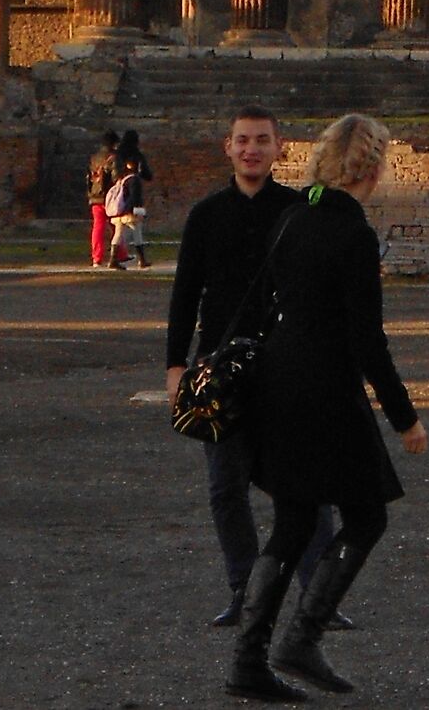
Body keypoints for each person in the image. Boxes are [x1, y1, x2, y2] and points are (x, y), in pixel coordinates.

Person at [231, 113, 428, 700]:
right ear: (371, 167)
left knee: (293, 523)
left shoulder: (293, 217)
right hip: (325, 393)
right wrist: (405, 419)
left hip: (278, 387)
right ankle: (301, 639)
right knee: (366, 516)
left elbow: (261, 307)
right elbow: (368, 341)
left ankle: (248, 661)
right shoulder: (352, 234)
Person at [167, 110, 336, 631]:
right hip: (219, 366)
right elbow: (185, 293)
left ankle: (318, 595)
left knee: (304, 481)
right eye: (243, 140)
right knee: (226, 486)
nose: (252, 150)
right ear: (228, 147)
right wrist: (175, 364)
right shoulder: (206, 214)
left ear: (279, 148)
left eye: (262, 141)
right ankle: (244, 589)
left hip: (285, 363)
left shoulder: (298, 209)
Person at [107, 128, 153, 270]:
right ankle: (142, 259)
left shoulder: (117, 156)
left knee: (118, 232)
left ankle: (113, 259)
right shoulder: (136, 157)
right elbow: (147, 175)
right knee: (137, 230)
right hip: (131, 204)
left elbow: (112, 175)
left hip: (120, 199)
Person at [88, 130, 120, 269]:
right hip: (110, 196)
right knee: (117, 226)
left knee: (98, 227)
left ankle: (97, 258)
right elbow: (115, 176)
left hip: (95, 196)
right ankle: (119, 254)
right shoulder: (113, 157)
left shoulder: (94, 158)